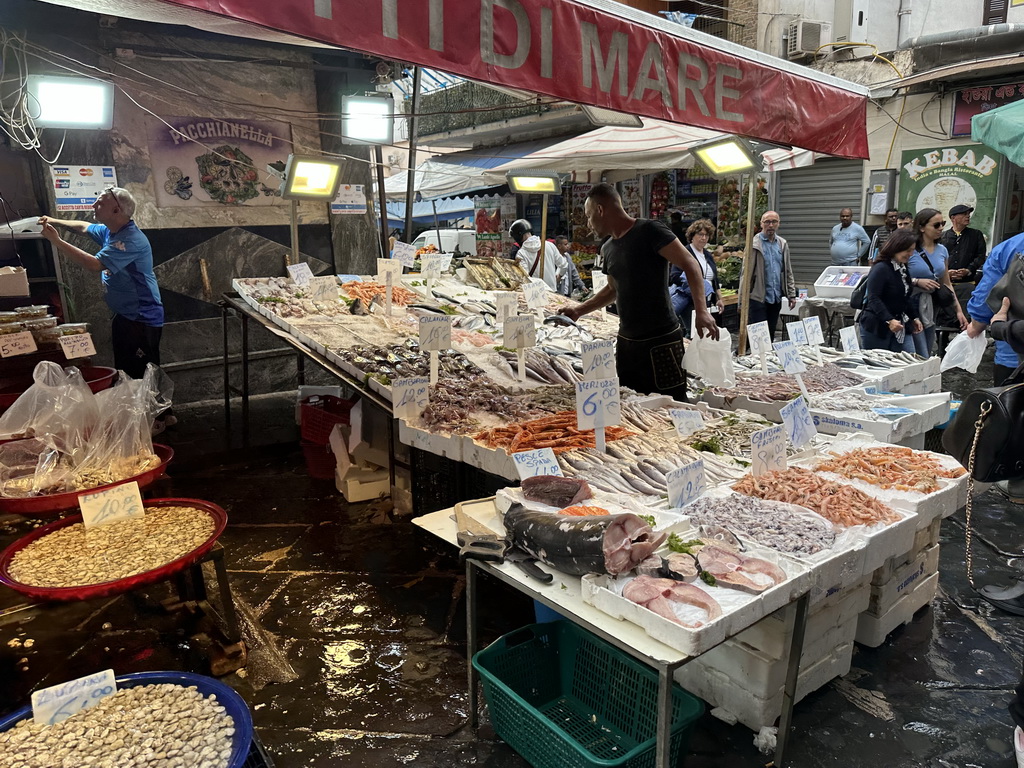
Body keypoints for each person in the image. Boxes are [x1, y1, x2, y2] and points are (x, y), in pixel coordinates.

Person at [561, 183, 718, 402]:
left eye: (588, 216)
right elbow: (613, 288)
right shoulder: (608, 248)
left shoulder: (650, 230)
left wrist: (702, 311)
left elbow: (690, 265)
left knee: (671, 405)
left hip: (661, 340)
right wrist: (579, 311)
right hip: (628, 343)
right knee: (630, 404)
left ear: (600, 210)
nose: (588, 223)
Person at [38, 187, 165, 380]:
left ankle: (158, 410)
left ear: (116, 210)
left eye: (100, 202)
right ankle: (133, 409)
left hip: (142, 318)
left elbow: (95, 264)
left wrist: (57, 241)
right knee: (125, 372)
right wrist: (54, 220)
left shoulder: (130, 239)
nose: (93, 205)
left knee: (142, 375)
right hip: (125, 315)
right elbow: (83, 226)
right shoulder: (110, 231)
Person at [905, 208, 967, 356]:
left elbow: (946, 282)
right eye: (936, 225)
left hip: (932, 304)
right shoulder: (909, 249)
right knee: (916, 350)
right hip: (910, 304)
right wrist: (916, 281)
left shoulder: (942, 250)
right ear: (921, 227)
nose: (941, 228)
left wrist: (958, 311)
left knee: (927, 345)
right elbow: (895, 276)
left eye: (942, 224)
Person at [966, 229, 1024, 385]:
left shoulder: (1010, 247)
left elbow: (987, 294)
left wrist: (976, 325)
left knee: (1010, 404)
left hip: (1014, 355)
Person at [858, 229, 922, 351]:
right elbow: (873, 298)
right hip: (877, 326)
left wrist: (915, 317)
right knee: (879, 366)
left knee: (909, 360)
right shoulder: (881, 268)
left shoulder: (902, 267)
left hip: (900, 323)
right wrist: (889, 319)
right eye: (907, 250)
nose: (910, 254)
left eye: (912, 250)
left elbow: (905, 297)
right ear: (896, 247)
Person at [747, 210, 796, 340]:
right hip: (758, 296)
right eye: (767, 222)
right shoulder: (754, 244)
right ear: (761, 224)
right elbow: (745, 274)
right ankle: (753, 357)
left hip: (775, 297)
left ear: (778, 224)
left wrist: (791, 294)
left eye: (774, 222)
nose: (771, 225)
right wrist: (742, 300)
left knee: (771, 331)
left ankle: (766, 358)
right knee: (758, 334)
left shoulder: (782, 244)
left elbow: (788, 270)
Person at [669, 218, 723, 335]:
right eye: (700, 234)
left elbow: (715, 278)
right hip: (689, 300)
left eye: (706, 235)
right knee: (693, 332)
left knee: (703, 332)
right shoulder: (684, 252)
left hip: (706, 301)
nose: (704, 238)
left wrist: (719, 298)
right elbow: (674, 276)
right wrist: (692, 285)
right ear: (692, 236)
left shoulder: (708, 255)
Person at [939, 204, 987, 324]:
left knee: (967, 309)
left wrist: (969, 269)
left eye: (968, 214)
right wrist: (946, 273)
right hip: (946, 283)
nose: (967, 216)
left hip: (967, 282)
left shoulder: (976, 235)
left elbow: (980, 257)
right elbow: (938, 258)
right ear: (953, 218)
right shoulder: (943, 237)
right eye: (964, 214)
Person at [511, 220, 566, 292]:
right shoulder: (549, 245)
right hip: (553, 292)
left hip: (535, 295)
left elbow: (524, 278)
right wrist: (559, 276)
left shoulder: (521, 254)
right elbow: (564, 265)